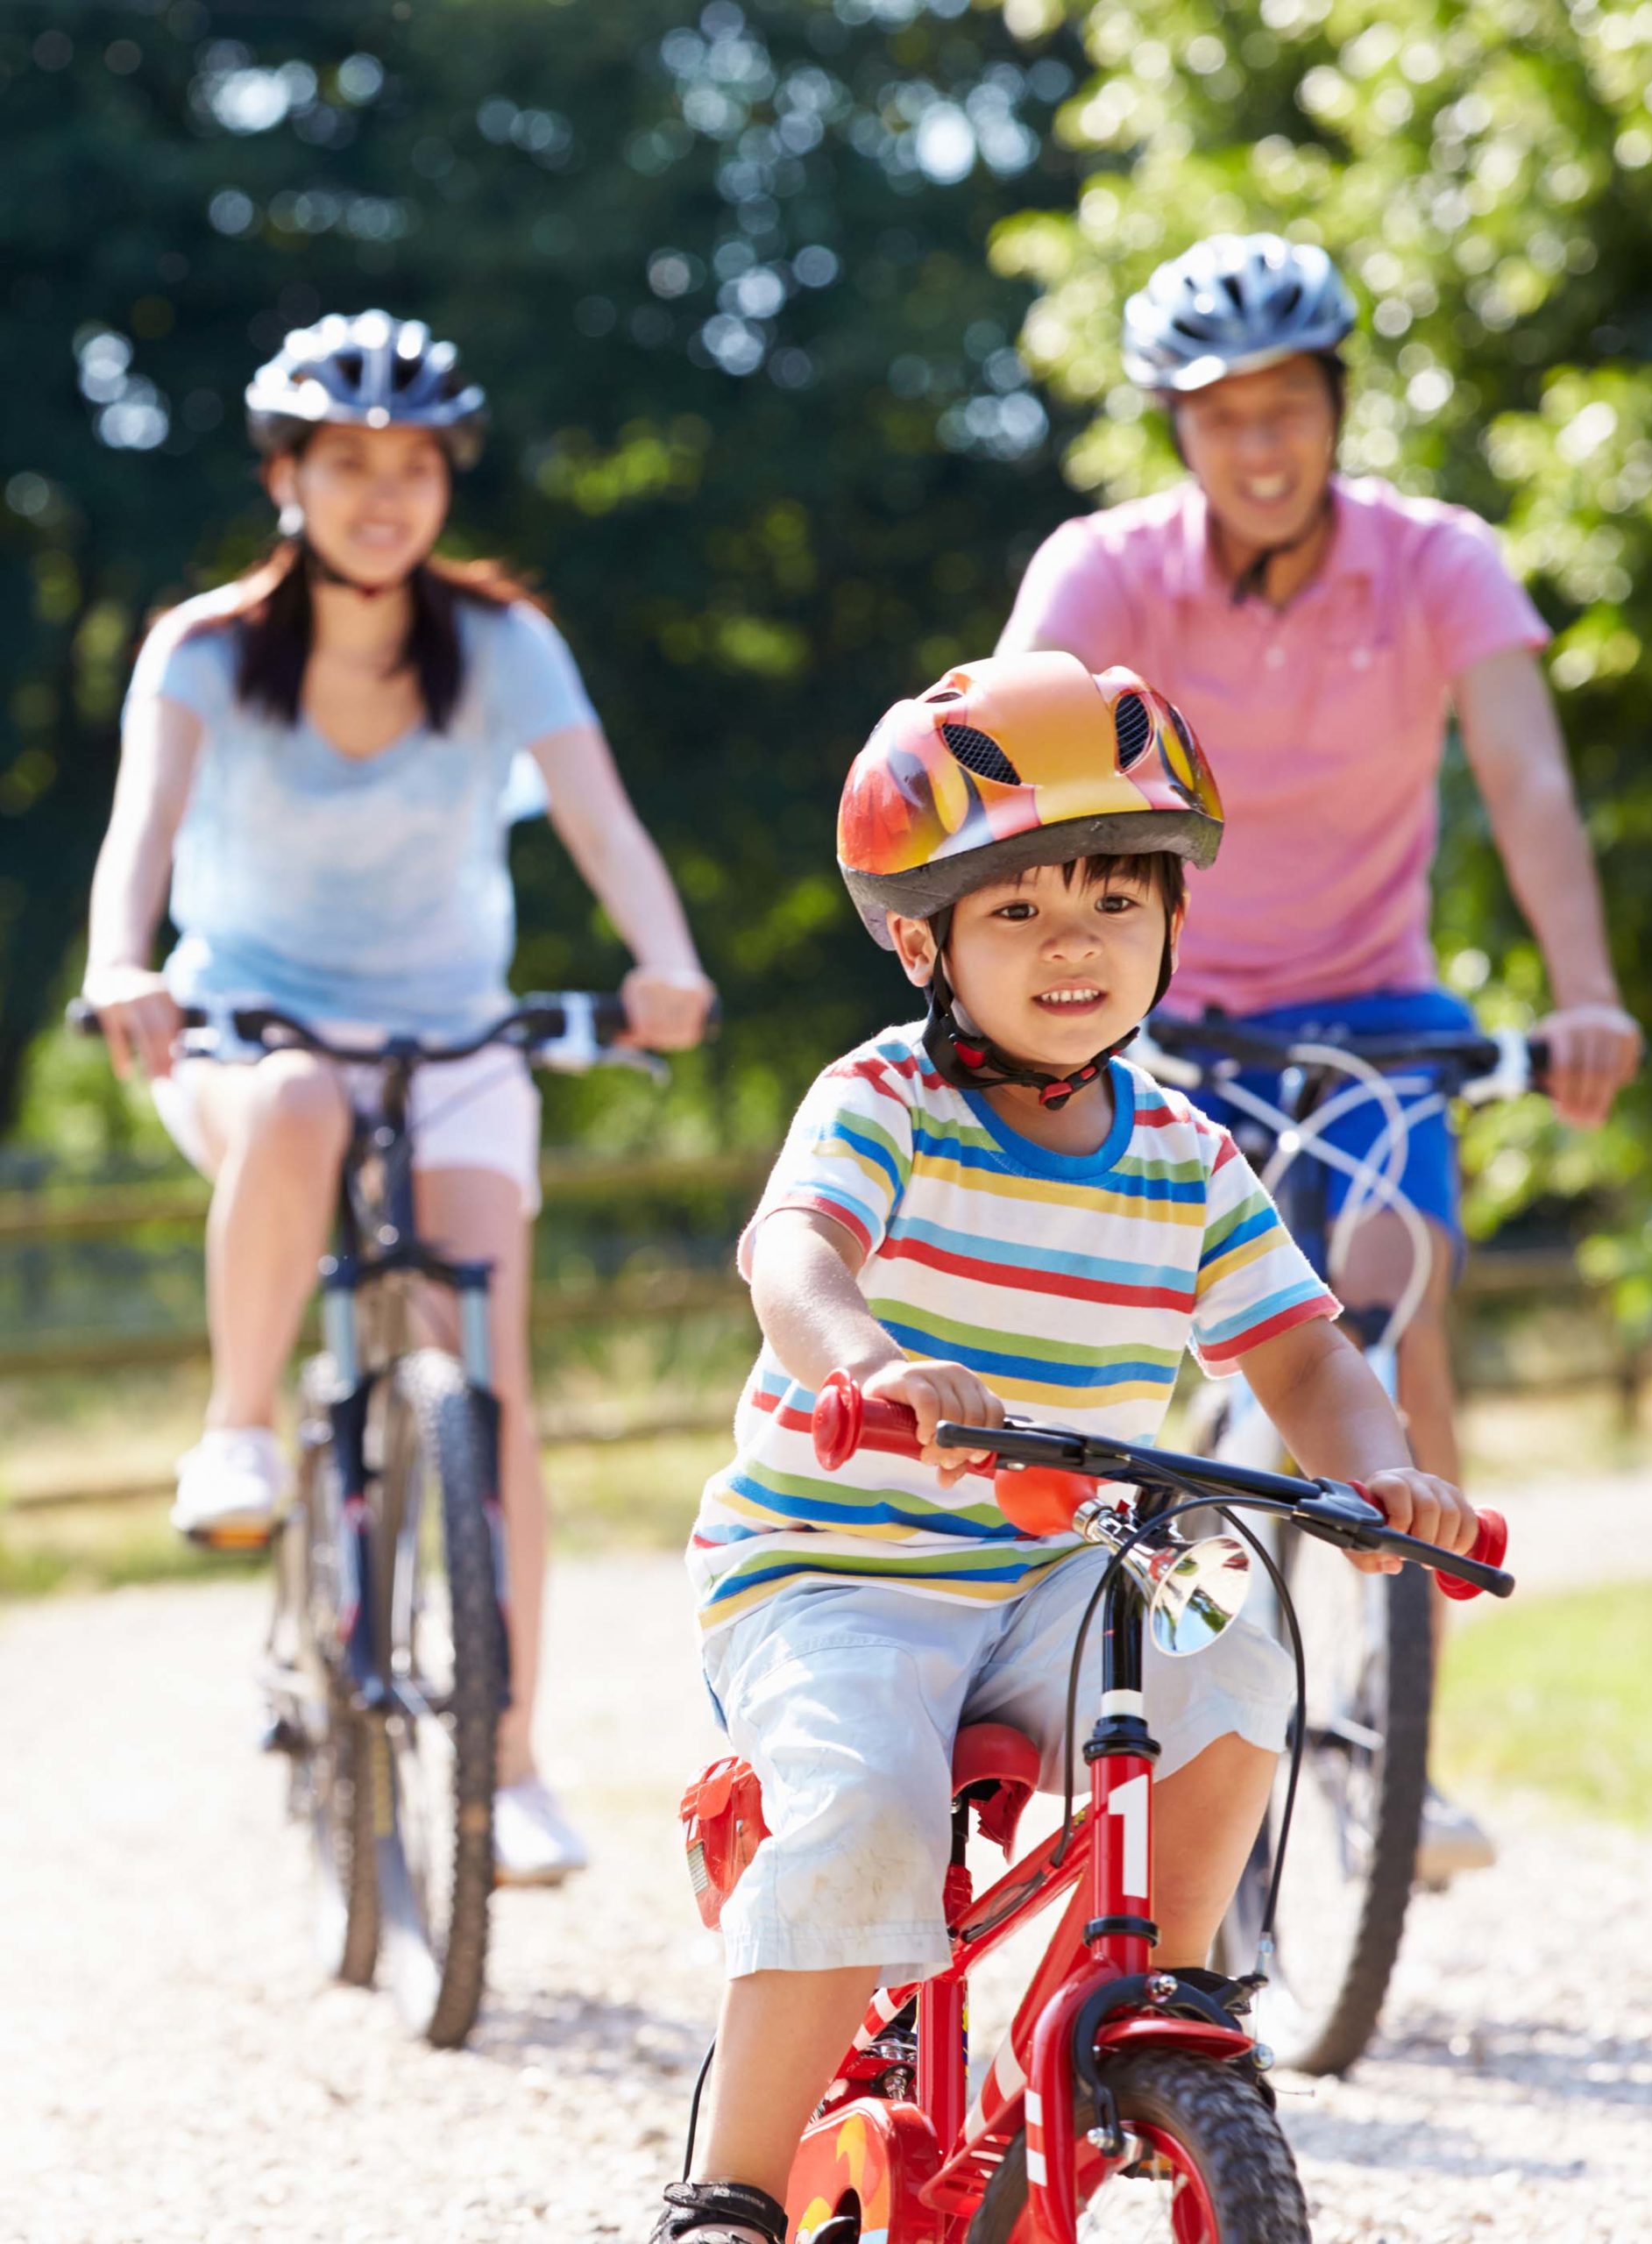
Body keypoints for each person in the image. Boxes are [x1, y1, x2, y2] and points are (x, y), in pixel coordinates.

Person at [652, 651, 1478, 2244]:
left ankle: (1155, 1992)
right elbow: (792, 1258)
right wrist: (873, 1363)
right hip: (839, 1573)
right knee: (863, 1814)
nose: (1074, 943)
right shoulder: (882, 1099)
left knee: (1235, 1633)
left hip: (1061, 1569)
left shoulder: (1185, 1153)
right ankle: (730, 2193)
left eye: (1114, 900)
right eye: (1017, 909)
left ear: (1174, 922)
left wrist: (1378, 1470)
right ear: (924, 940)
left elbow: (1305, 1347)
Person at [997, 232, 1641, 1880]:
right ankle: (1181, 1681)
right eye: (1224, 417)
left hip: (1373, 1009)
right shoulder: (1107, 568)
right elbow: (1014, 761)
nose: (1262, 445)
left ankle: (1387, 1731)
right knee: (1158, 1364)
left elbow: (1530, 788)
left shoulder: (1437, 563)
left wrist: (1582, 989)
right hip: (1164, 1012)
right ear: (1176, 430)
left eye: (1289, 407)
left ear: (1338, 408)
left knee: (1387, 1281)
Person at [82, 309, 715, 1885]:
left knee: (481, 1376)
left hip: (453, 1043)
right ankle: (237, 1432)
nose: (383, 495)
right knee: (295, 1107)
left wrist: (666, 958)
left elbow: (605, 824)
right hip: (250, 1029)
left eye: (414, 467)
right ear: (287, 476)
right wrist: (120, 964)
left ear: (447, 484)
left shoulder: (502, 644)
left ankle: (506, 1767)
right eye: (346, 463)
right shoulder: (209, 650)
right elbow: (139, 835)